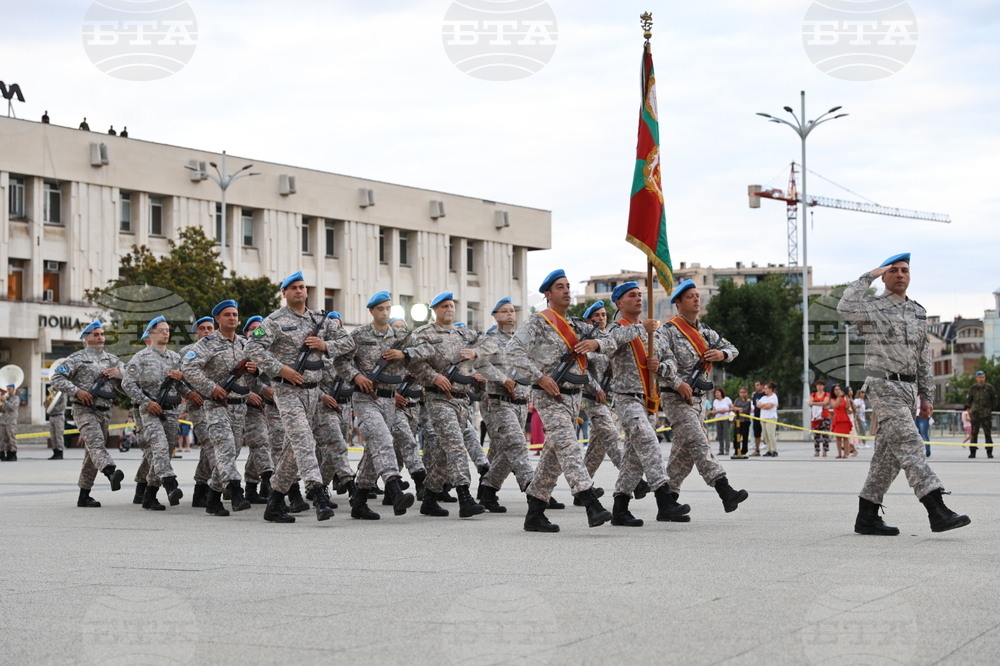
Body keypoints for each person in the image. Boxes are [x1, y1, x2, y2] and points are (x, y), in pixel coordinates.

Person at [838, 253, 970, 535]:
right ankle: (936, 508)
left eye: (905, 270)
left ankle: (867, 516)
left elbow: (924, 356)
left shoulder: (918, 311)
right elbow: (844, 306)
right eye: (894, 270)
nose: (900, 275)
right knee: (912, 444)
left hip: (910, 391)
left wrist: (927, 396)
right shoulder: (872, 308)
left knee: (887, 458)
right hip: (884, 387)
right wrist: (869, 275)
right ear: (885, 276)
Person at [506, 269, 646, 532]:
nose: (567, 291)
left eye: (568, 286)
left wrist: (617, 336)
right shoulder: (537, 323)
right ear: (548, 294)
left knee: (552, 456)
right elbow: (512, 352)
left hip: (574, 397)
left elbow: (610, 339)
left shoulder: (579, 326)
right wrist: (538, 378)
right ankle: (590, 501)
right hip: (549, 395)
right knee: (569, 448)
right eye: (560, 287)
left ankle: (535, 513)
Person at [246, 271, 355, 523]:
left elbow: (348, 342)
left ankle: (274, 503)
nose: (299, 291)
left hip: (314, 392)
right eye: (293, 287)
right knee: (304, 442)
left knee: (293, 450)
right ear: (284, 293)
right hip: (286, 391)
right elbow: (252, 346)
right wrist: (280, 369)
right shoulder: (274, 321)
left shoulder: (320, 320)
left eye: (302, 287)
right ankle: (317, 493)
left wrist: (325, 346)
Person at [650, 279, 748, 519]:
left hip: (698, 400)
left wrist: (721, 353)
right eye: (691, 296)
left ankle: (668, 503)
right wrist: (676, 382)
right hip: (676, 398)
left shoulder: (706, 332)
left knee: (683, 453)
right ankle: (724, 489)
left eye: (697, 295)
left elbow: (733, 350)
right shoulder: (668, 331)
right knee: (698, 442)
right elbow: (654, 362)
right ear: (679, 303)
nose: (696, 299)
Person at [407, 292, 498, 519]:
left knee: (444, 452)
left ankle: (429, 498)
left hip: (462, 399)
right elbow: (413, 363)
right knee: (456, 445)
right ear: (435, 310)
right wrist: (432, 377)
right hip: (438, 399)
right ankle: (465, 496)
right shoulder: (422, 333)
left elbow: (492, 342)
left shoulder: (464, 333)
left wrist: (476, 351)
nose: (449, 309)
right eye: (444, 306)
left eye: (451, 306)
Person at [605, 281, 685, 527]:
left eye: (640, 294)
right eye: (632, 295)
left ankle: (620, 507)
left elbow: (671, 362)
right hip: (626, 398)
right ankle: (664, 499)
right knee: (649, 441)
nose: (639, 298)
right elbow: (608, 344)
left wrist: (659, 366)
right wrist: (641, 329)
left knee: (633, 458)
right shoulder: (616, 328)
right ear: (620, 303)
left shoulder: (654, 333)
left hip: (650, 401)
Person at [334, 290, 417, 520]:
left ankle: (359, 502)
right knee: (383, 440)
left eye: (388, 308)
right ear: (371, 311)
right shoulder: (359, 334)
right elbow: (340, 360)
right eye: (380, 309)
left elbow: (425, 351)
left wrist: (404, 353)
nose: (384, 312)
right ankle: (394, 488)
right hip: (366, 399)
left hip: (390, 400)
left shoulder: (400, 336)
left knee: (373, 451)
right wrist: (355, 376)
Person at [182, 299, 259, 516]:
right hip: (216, 406)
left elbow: (254, 380)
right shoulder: (207, 344)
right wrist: (210, 387)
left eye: (234, 314)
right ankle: (236, 491)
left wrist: (255, 371)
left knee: (231, 452)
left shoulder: (245, 344)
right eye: (227, 315)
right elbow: (188, 367)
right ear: (217, 319)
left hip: (240, 407)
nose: (232, 318)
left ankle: (213, 498)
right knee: (224, 449)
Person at [50, 321, 126, 505]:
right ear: (86, 338)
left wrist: (120, 373)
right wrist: (77, 391)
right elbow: (56, 377)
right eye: (95, 334)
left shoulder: (113, 360)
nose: (100, 337)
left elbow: (127, 385)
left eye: (101, 334)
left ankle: (84, 495)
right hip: (84, 410)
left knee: (91, 454)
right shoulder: (75, 358)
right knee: (96, 444)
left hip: (105, 411)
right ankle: (111, 471)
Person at [122, 316, 186, 511]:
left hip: (171, 411)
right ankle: (170, 482)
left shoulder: (175, 358)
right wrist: (146, 402)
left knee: (164, 452)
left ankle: (149, 496)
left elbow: (184, 386)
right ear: (151, 333)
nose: (166, 333)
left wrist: (182, 377)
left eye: (167, 330)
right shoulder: (141, 358)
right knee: (158, 446)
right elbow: (127, 383)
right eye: (161, 330)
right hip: (149, 411)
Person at [479, 297, 536, 513]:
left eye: (512, 311)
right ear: (495, 316)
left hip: (521, 403)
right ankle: (533, 491)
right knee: (517, 445)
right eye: (504, 311)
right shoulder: (490, 339)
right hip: (500, 403)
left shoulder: (521, 341)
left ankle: (488, 491)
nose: (510, 314)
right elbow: (480, 364)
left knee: (505, 451)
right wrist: (502, 379)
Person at [578, 299, 629, 503]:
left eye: (603, 315)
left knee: (597, 447)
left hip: (608, 398)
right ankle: (631, 478)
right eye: (596, 316)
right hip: (591, 397)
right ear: (589, 320)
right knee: (610, 435)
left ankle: (583, 488)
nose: (601, 319)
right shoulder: (587, 342)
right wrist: (596, 388)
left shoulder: (608, 341)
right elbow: (580, 369)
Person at [180, 316, 216, 507]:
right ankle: (222, 484)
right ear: (196, 333)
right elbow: (177, 379)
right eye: (202, 328)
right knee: (210, 441)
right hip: (198, 404)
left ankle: (201, 487)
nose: (207, 331)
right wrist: (188, 393)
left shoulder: (222, 348)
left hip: (219, 404)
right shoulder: (187, 352)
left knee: (216, 445)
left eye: (210, 328)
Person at [967, 370, 996, 459]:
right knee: (974, 433)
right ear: (976, 378)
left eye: (982, 377)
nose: (981, 379)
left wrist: (990, 409)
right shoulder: (973, 389)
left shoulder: (989, 388)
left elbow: (994, 400)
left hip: (986, 414)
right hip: (975, 414)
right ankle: (973, 451)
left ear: (985, 377)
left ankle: (989, 451)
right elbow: (969, 400)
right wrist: (970, 409)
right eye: (979, 377)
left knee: (988, 433)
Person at [45, 381, 68, 459]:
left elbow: (62, 407)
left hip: (58, 416)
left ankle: (60, 452)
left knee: (58, 435)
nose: (53, 387)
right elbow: (45, 405)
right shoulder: (52, 395)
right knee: (53, 436)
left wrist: (52, 408)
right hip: (51, 416)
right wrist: (47, 401)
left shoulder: (62, 395)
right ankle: (55, 452)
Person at [830, 384, 853, 458]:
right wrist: (839, 396)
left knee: (846, 437)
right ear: (833, 391)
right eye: (836, 390)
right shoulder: (832, 399)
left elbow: (847, 406)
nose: (837, 391)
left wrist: (846, 397)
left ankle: (846, 453)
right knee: (838, 438)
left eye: (838, 389)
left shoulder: (844, 398)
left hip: (844, 418)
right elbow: (835, 405)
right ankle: (839, 453)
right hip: (837, 418)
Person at [709, 387, 733, 456]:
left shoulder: (726, 399)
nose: (717, 394)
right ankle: (721, 449)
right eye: (716, 393)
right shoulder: (715, 401)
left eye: (718, 393)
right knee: (720, 435)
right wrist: (718, 411)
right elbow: (713, 411)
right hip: (718, 419)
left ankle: (727, 450)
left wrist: (725, 411)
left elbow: (731, 407)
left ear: (721, 393)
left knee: (726, 434)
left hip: (725, 418)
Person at [809, 380, 831, 457]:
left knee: (825, 434)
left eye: (821, 385)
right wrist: (820, 403)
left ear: (823, 386)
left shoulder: (826, 394)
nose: (819, 386)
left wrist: (815, 403)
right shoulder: (813, 394)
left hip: (825, 416)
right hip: (816, 417)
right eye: (818, 385)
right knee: (816, 434)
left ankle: (825, 450)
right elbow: (810, 403)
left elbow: (825, 402)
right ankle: (817, 450)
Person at [0, 384, 21, 462]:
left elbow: (13, 408)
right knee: (4, 439)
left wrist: (5, 401)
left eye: (9, 389)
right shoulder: (6, 397)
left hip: (11, 421)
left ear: (13, 389)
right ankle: (7, 454)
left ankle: (13, 454)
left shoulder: (16, 398)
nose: (8, 391)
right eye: (7, 389)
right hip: (3, 421)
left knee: (11, 438)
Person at [757, 383, 778, 457]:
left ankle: (774, 450)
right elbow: (758, 405)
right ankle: (768, 450)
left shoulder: (774, 397)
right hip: (763, 417)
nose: (764, 390)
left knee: (771, 435)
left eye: (766, 388)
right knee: (765, 435)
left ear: (770, 389)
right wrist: (764, 405)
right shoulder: (764, 397)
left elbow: (769, 406)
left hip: (770, 417)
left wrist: (763, 405)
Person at [731, 386, 752, 459]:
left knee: (745, 436)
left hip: (745, 421)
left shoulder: (748, 401)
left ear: (746, 393)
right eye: (741, 392)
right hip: (737, 420)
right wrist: (739, 409)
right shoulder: (737, 400)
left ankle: (744, 451)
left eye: (744, 392)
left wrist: (738, 409)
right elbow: (733, 408)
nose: (742, 394)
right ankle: (736, 451)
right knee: (736, 436)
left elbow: (746, 410)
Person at [750, 380, 765, 456]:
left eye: (758, 385)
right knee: (757, 434)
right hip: (756, 416)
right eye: (755, 385)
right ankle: (757, 449)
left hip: (764, 416)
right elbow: (754, 405)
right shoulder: (755, 395)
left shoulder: (765, 394)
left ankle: (770, 449)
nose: (756, 386)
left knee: (766, 433)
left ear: (762, 385)